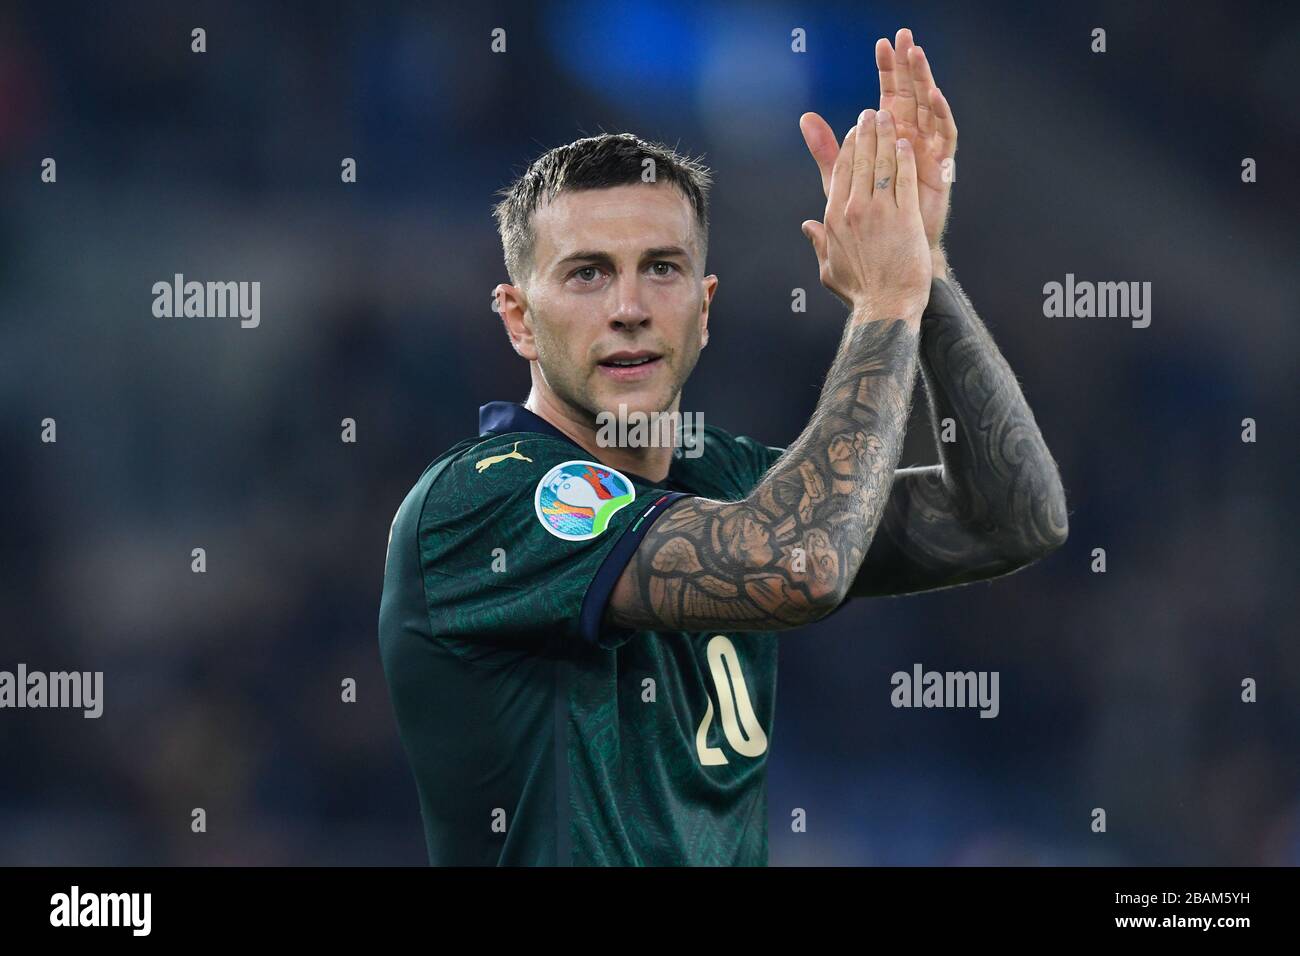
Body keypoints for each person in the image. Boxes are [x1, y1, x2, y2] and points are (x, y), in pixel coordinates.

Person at [379, 28, 1068, 865]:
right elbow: (800, 565)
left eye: (662, 269)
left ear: (704, 308)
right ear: (519, 318)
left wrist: (925, 271)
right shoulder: (483, 500)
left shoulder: (730, 476)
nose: (629, 306)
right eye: (587, 273)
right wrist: (884, 303)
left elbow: (1015, 516)